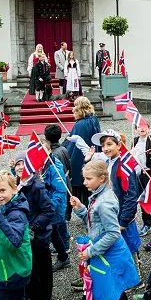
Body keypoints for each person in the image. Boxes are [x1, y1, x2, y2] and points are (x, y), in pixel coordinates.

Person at [69, 160, 139, 300]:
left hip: (108, 251)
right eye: (84, 178)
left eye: (88, 179)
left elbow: (113, 233)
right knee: (106, 280)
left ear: (101, 178)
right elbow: (94, 222)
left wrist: (90, 251)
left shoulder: (104, 202)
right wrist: (81, 208)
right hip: (104, 249)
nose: (84, 182)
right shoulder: (99, 195)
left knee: (108, 281)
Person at [11, 155, 55, 300]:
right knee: (27, 277)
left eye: (24, 163)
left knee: (39, 278)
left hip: (37, 240)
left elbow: (48, 210)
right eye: (17, 164)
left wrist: (32, 227)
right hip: (24, 240)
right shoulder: (17, 184)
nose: (20, 167)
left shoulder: (37, 186)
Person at [0, 170, 32, 300]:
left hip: (11, 272)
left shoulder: (16, 214)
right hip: (11, 269)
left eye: (2, 190)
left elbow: (14, 242)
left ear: (14, 189)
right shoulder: (4, 208)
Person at [90, 130, 140, 257]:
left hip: (122, 219)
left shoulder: (124, 165)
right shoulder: (108, 163)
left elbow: (131, 195)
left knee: (128, 253)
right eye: (103, 145)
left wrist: (123, 221)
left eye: (109, 144)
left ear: (119, 145)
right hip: (112, 215)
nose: (105, 148)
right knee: (117, 253)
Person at [64, 96, 101, 224]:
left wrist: (64, 151)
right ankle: (91, 214)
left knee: (75, 187)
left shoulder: (80, 124)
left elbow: (72, 144)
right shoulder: (93, 119)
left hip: (80, 158)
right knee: (90, 188)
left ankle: (69, 215)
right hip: (93, 156)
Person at [44, 124, 71, 253]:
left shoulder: (53, 156)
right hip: (66, 183)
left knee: (60, 221)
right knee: (62, 219)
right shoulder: (64, 149)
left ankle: (64, 245)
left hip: (59, 188)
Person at [131, 123, 151, 237]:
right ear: (136, 130)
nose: (141, 129)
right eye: (138, 127)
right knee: (142, 198)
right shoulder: (134, 140)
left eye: (144, 126)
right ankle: (147, 223)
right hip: (139, 174)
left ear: (149, 128)